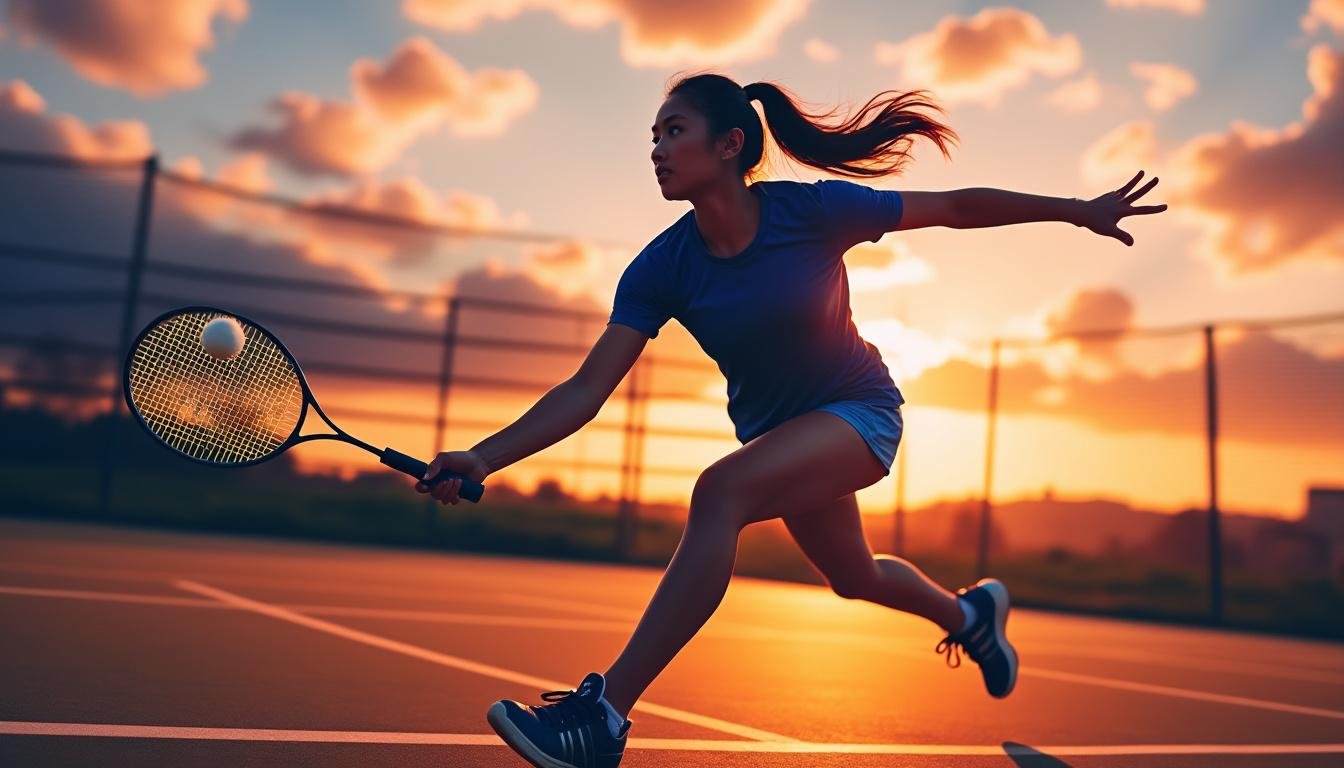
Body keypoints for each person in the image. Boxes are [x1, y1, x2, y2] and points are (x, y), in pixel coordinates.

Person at [415, 72, 1166, 768]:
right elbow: (585, 390)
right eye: (653, 136)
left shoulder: (812, 210)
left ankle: (603, 717)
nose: (656, 151)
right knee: (853, 576)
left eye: (673, 131)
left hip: (860, 413)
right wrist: (483, 456)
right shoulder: (660, 267)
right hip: (783, 441)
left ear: (730, 144)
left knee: (720, 493)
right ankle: (969, 614)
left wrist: (1077, 212)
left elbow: (956, 208)